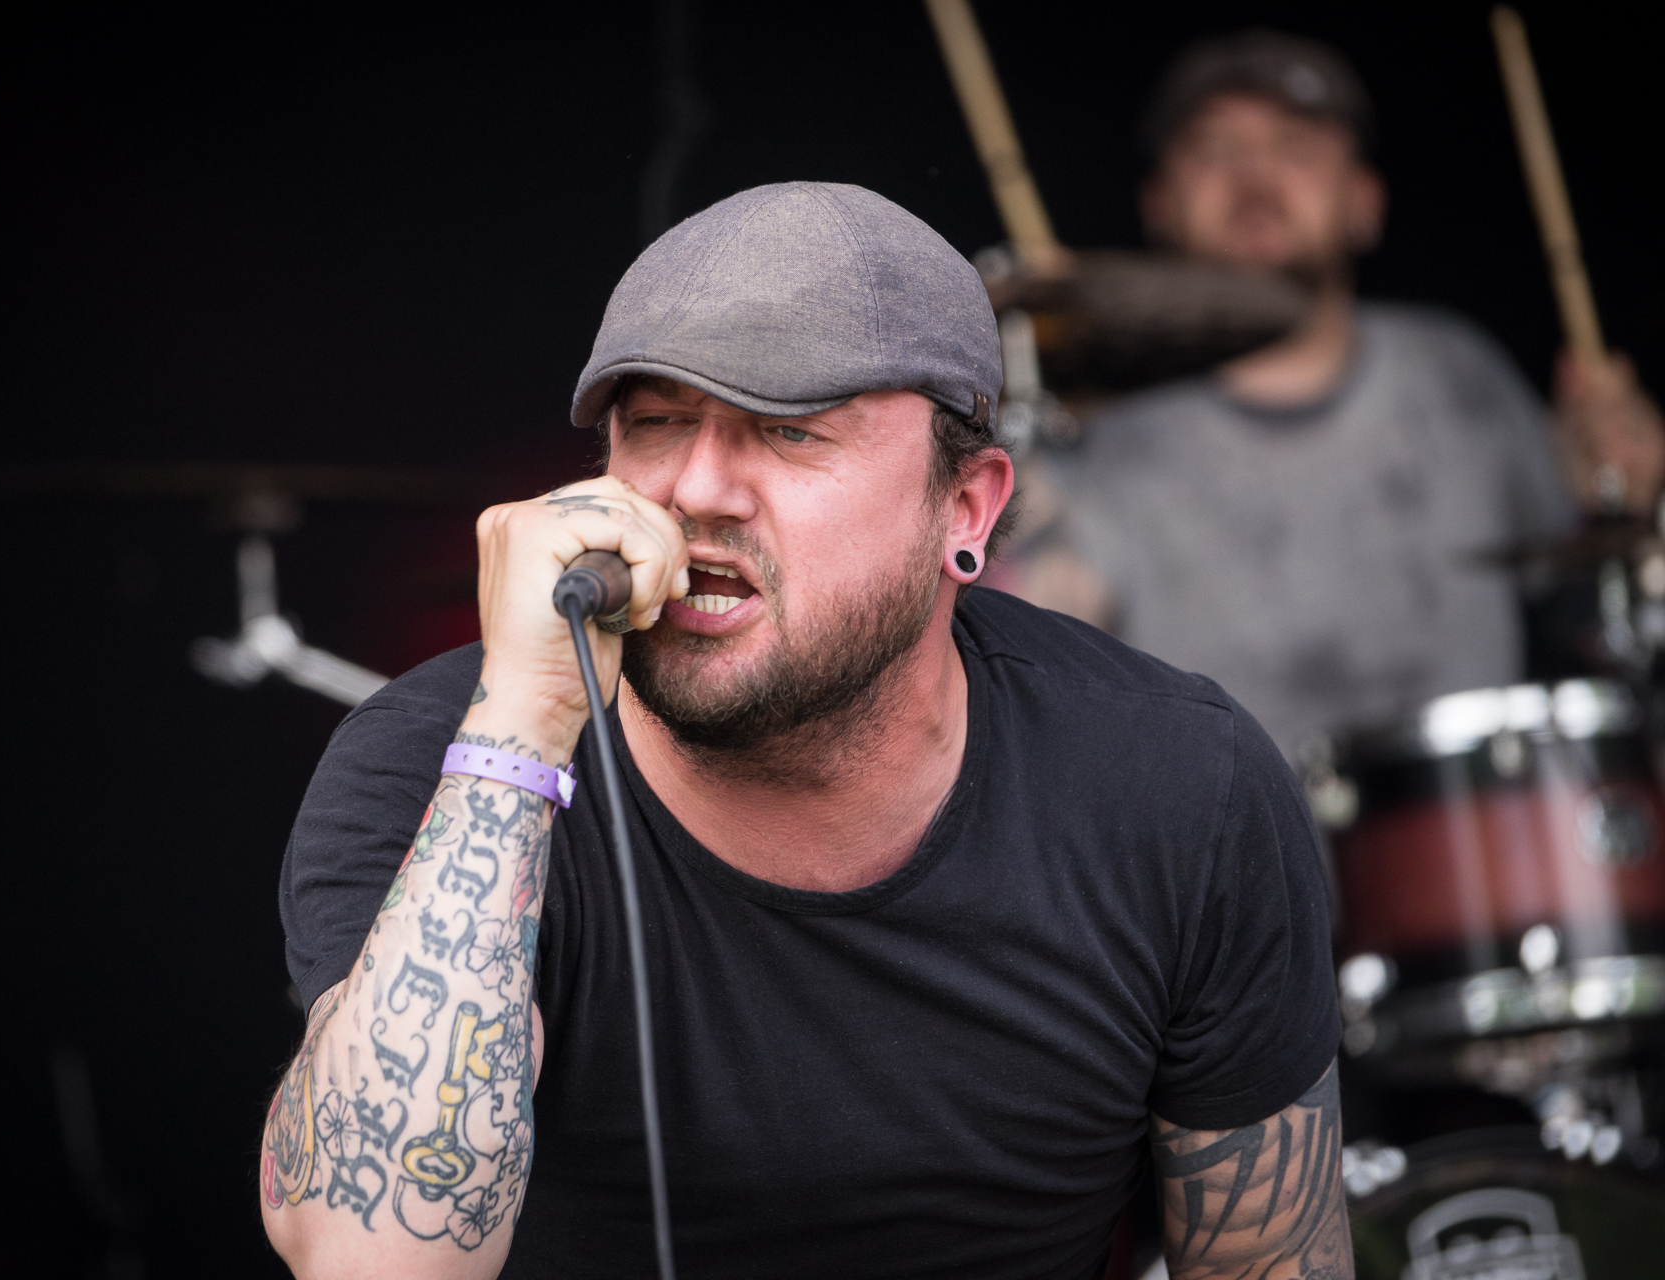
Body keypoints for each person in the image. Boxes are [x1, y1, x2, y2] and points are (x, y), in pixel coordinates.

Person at [261, 182, 1348, 1279]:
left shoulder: (1179, 788)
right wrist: (517, 731)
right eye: (658, 421)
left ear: (964, 509)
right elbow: (370, 1257)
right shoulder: (437, 763)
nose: (696, 487)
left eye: (789, 430)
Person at [999, 30, 1665, 758]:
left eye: (1295, 146)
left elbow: (1589, 619)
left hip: (1471, 845)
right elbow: (1033, 656)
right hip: (1226, 864)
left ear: (1365, 201)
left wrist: (1620, 500)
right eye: (1215, 149)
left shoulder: (1458, 371)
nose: (1256, 179)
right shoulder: (1102, 431)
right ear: (1157, 204)